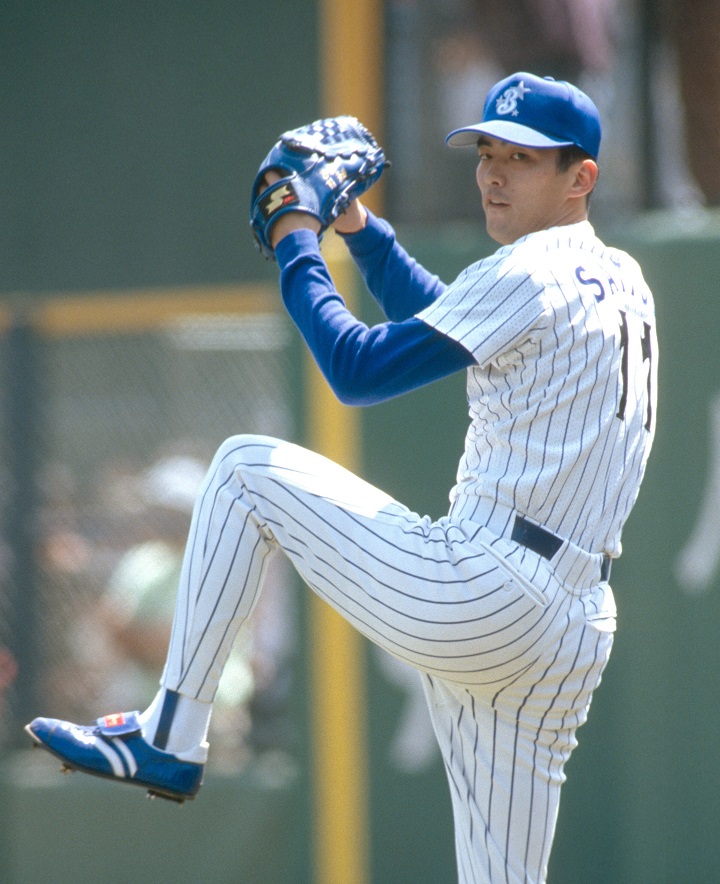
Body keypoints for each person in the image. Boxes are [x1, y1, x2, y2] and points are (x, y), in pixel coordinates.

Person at [26, 72, 657, 883]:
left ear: (581, 177)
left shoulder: (530, 271)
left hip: (487, 586)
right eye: (487, 153)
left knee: (243, 472)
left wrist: (298, 235)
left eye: (523, 159)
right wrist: (359, 229)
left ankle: (170, 737)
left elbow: (356, 369)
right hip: (569, 629)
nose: (494, 175)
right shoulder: (619, 277)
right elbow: (455, 320)